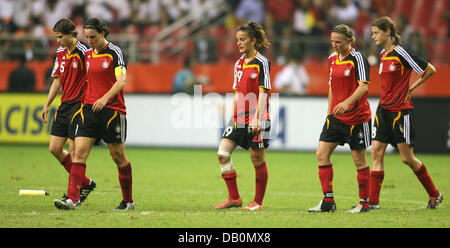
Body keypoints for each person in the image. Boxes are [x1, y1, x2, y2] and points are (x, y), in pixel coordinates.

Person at [54, 18, 134, 211]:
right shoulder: (87, 54)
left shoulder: (114, 52)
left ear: (103, 34)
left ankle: (128, 201)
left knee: (118, 156)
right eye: (87, 37)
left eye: (93, 37)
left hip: (112, 110)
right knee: (78, 154)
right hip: (89, 110)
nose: (89, 40)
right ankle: (72, 199)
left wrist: (105, 98)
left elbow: (121, 81)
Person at [369, 16, 442, 209]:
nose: (373, 36)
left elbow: (430, 69)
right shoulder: (383, 55)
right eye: (372, 33)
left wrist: (411, 88)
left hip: (400, 112)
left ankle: (434, 194)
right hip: (383, 110)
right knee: (376, 153)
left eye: (376, 33)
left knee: (407, 159)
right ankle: (373, 202)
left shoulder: (401, 53)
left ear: (387, 32)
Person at [308, 24, 372, 213]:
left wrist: (347, 103)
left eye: (338, 42)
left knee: (359, 161)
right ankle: (328, 201)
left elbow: (363, 86)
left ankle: (364, 203)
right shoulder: (332, 59)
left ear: (349, 41)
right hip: (336, 118)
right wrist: (330, 112)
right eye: (332, 42)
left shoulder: (358, 58)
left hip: (356, 118)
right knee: (321, 154)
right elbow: (331, 86)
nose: (334, 45)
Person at [215, 21, 271, 211]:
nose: (238, 43)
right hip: (239, 118)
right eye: (237, 40)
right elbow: (238, 92)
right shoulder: (238, 64)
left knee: (257, 160)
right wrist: (232, 115)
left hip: (258, 117)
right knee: (222, 154)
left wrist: (257, 117)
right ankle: (234, 198)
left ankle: (258, 202)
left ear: (253, 41)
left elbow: (264, 92)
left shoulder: (262, 62)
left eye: (243, 39)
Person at [43, 19, 96, 207]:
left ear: (70, 34)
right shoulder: (60, 52)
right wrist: (47, 104)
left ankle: (72, 197)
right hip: (64, 105)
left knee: (75, 152)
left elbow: (94, 77)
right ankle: (86, 183)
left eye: (59, 37)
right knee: (55, 148)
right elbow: (57, 80)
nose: (57, 41)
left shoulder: (84, 53)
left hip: (80, 106)